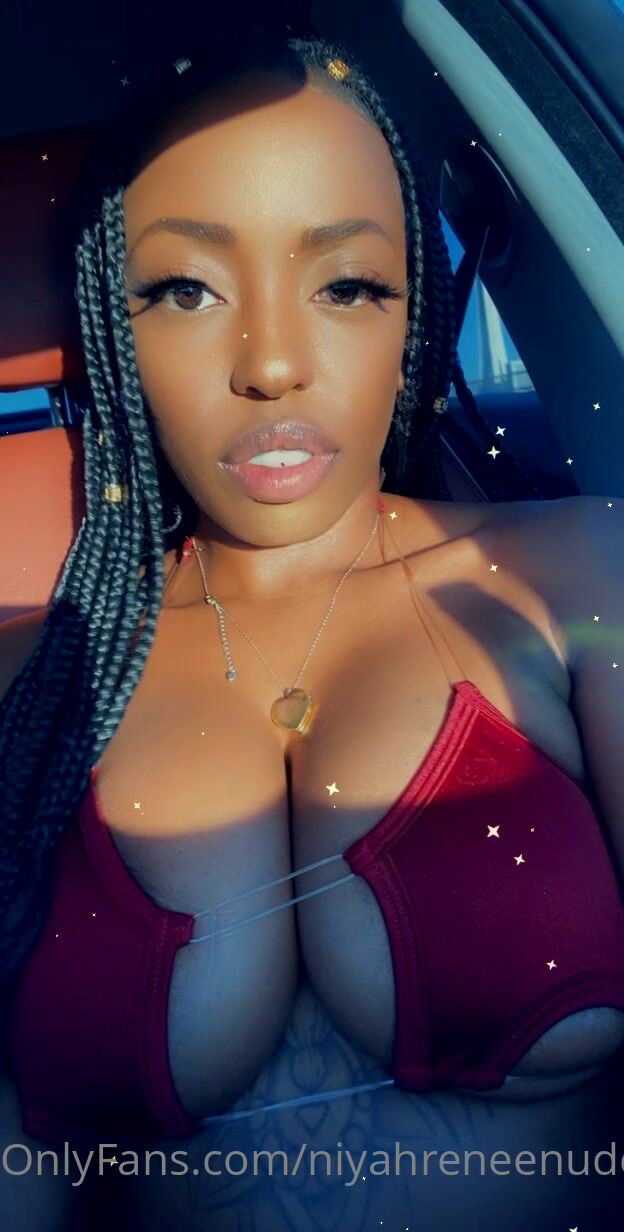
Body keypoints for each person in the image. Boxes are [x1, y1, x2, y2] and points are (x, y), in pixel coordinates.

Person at [1, 22, 624, 1232]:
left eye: (346, 285)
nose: (274, 364)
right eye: (187, 289)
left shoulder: (574, 576)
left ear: (413, 309)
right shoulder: (37, 680)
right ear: (116, 330)